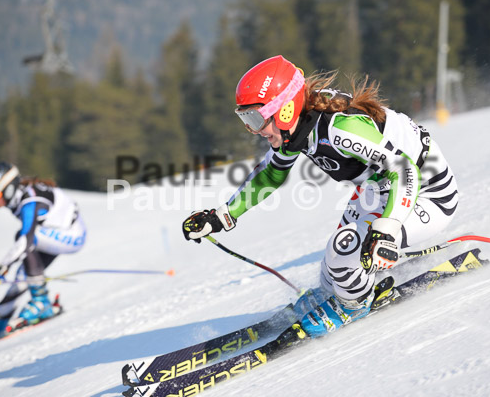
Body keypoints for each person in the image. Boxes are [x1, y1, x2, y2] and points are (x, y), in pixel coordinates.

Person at [182, 55, 458, 338]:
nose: (254, 130)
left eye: (254, 118)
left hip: (428, 194)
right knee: (330, 272)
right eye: (244, 119)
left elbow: (403, 168)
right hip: (381, 189)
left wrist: (388, 227)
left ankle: (353, 305)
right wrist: (222, 216)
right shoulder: (294, 131)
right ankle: (341, 290)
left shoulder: (339, 129)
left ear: (285, 110)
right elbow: (269, 175)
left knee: (342, 253)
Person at [0, 162, 87, 347]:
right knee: (21, 280)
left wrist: (1, 269)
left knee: (26, 239)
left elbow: (27, 237)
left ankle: (41, 301)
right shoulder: (13, 195)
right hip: (50, 236)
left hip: (72, 235)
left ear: (7, 189)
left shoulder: (30, 200)